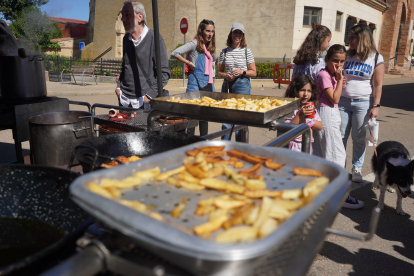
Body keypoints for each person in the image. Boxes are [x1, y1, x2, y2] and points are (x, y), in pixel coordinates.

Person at [313, 44, 363, 209]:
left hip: (329, 113)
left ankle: (325, 193)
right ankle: (341, 196)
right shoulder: (324, 75)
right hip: (327, 113)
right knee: (336, 156)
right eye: (335, 61)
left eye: (342, 61)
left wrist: (339, 79)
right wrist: (340, 80)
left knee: (325, 154)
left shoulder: (332, 74)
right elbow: (334, 99)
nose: (339, 65)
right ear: (326, 59)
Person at [339, 24, 385, 184]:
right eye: (349, 37)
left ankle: (356, 168)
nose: (348, 40)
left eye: (352, 37)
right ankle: (339, 167)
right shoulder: (347, 55)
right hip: (342, 101)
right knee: (340, 136)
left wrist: (376, 105)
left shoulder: (376, 58)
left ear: (362, 39)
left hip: (363, 103)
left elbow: (378, 84)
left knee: (358, 138)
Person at [115, 1, 170, 110]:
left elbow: (164, 73)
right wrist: (118, 88)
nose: (122, 19)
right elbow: (125, 67)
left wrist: (148, 96)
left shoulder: (154, 38)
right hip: (124, 100)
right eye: (122, 15)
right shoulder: (126, 39)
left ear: (140, 17)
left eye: (127, 15)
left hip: (143, 102)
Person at [171, 19, 216, 136]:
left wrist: (212, 63)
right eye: (207, 31)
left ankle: (203, 144)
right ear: (201, 31)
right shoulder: (195, 44)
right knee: (191, 117)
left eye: (212, 31)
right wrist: (188, 62)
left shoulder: (210, 47)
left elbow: (212, 63)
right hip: (195, 84)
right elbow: (174, 53)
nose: (210, 34)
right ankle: (189, 145)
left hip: (207, 85)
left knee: (204, 118)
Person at [218, 23, 257, 141]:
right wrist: (226, 75)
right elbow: (219, 71)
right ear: (231, 34)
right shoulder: (224, 52)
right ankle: (224, 149)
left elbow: (254, 72)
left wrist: (242, 72)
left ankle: (240, 149)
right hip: (227, 86)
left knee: (241, 121)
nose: (237, 35)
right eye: (235, 32)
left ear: (243, 36)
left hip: (242, 86)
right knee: (226, 120)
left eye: (240, 33)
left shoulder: (247, 51)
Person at [284, 74, 322, 153]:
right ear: (295, 90)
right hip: (292, 147)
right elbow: (289, 129)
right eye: (302, 90)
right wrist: (299, 115)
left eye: (309, 91)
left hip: (307, 146)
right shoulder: (290, 108)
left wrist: (308, 119)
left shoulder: (311, 108)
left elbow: (320, 126)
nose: (305, 94)